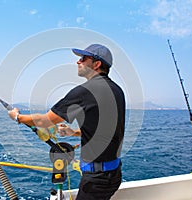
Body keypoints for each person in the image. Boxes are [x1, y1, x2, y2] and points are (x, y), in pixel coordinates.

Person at [8, 44, 125, 200]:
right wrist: (74, 132)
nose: (78, 62)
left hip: (96, 180)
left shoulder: (85, 91)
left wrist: (17, 117)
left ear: (97, 64)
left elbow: (45, 121)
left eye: (83, 58)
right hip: (114, 174)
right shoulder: (117, 91)